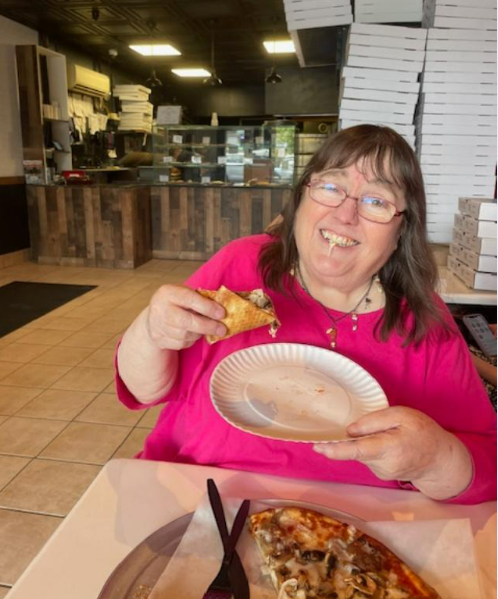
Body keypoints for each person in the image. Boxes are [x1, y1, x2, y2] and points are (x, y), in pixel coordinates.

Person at [116, 124, 496, 505]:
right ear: (301, 199)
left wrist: (434, 459)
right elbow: (144, 389)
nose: (345, 214)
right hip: (197, 500)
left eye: (376, 201)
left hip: (350, 529)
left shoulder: (425, 324)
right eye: (331, 187)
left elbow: (488, 468)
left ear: (402, 231)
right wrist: (150, 331)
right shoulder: (239, 268)